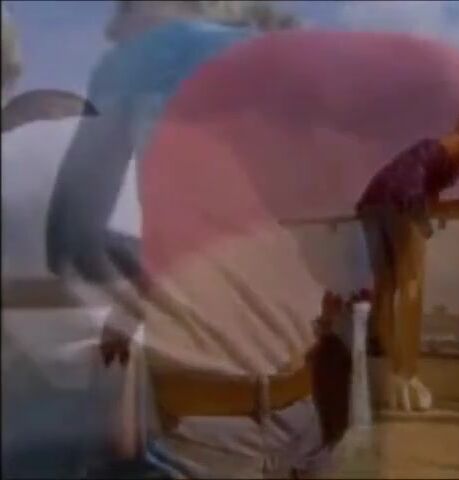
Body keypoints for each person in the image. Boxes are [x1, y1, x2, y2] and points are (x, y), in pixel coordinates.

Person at [46, 2, 341, 478]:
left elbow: (69, 237)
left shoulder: (135, 62)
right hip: (310, 404)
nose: (112, 30)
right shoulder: (295, 63)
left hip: (208, 424)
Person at [356, 112, 459, 411]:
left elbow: (432, 202)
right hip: (406, 193)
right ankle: (408, 373)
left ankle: (396, 373)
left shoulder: (438, 153)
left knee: (385, 287)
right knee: (412, 283)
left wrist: (435, 208)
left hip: (373, 197)